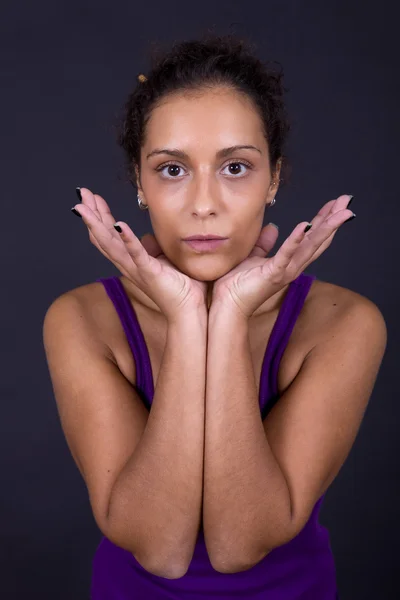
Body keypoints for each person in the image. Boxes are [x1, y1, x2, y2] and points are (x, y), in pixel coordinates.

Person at [42, 32, 387, 599]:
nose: (204, 204)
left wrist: (224, 317)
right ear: (139, 183)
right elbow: (159, 550)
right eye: (172, 170)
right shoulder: (80, 319)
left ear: (273, 179)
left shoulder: (346, 323)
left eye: (235, 168)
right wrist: (185, 316)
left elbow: (237, 545)